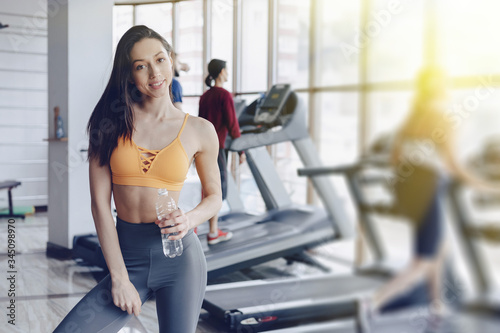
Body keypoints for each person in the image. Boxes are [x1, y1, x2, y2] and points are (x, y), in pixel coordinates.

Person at [53, 25, 221, 333]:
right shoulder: (110, 123)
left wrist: (189, 218)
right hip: (128, 258)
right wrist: (119, 277)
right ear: (130, 75)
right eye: (140, 66)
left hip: (181, 259)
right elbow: (100, 206)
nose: (154, 73)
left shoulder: (200, 130)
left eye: (159, 60)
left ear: (171, 60)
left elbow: (214, 197)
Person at [356, 66, 494, 332]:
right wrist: (485, 185)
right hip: (427, 188)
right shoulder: (443, 118)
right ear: (443, 88)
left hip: (405, 187)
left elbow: (396, 158)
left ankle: (436, 305)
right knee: (422, 261)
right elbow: (454, 165)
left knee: (438, 247)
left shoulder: (412, 117)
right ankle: (371, 303)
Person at [198, 59, 244, 245]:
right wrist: (241, 151)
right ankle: (211, 231)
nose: (227, 73)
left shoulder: (205, 96)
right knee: (217, 190)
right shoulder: (224, 95)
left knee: (208, 187)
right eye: (226, 70)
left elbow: (200, 123)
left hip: (203, 148)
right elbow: (233, 124)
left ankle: (210, 229)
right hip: (217, 148)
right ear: (221, 72)